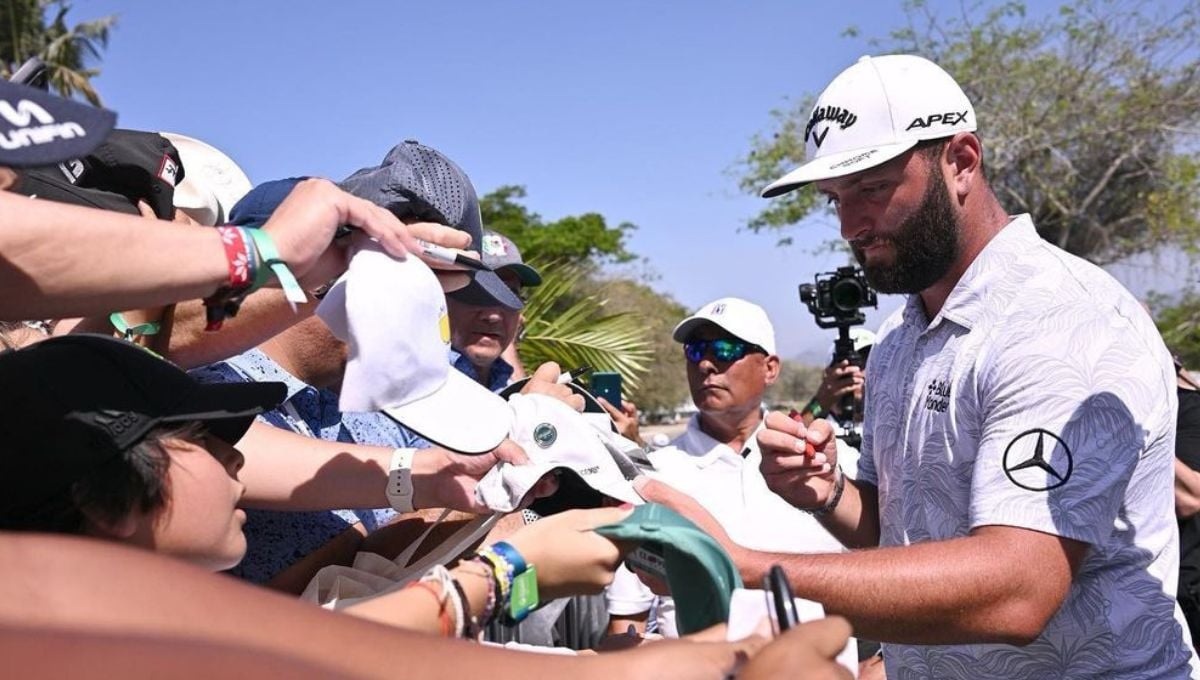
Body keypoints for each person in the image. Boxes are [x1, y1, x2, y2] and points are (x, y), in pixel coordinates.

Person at [646, 53, 1195, 677]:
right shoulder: (901, 338)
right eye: (835, 199)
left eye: (874, 188)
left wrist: (737, 564)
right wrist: (827, 494)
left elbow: (1019, 589)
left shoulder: (1063, 320)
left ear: (961, 161)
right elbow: (895, 533)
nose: (851, 225)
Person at [607, 297, 850, 644]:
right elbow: (626, 619)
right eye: (695, 351)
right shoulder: (652, 478)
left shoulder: (827, 461)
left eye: (724, 349)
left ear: (770, 368)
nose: (706, 363)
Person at [446, 229, 540, 390]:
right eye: (476, 294)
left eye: (510, 297)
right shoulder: (421, 379)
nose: (493, 316)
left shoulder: (507, 384)